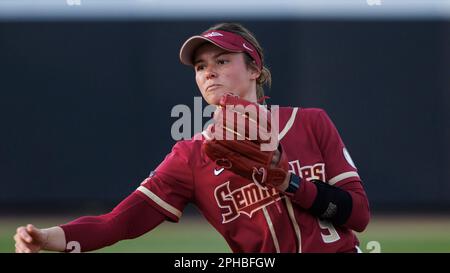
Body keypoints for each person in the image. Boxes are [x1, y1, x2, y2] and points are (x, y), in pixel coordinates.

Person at [13, 22, 370, 253]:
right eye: (200, 67)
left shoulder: (310, 123)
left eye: (222, 60)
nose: (208, 72)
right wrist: (47, 238)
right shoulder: (191, 155)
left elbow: (359, 215)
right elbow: (119, 222)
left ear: (254, 69)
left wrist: (289, 183)